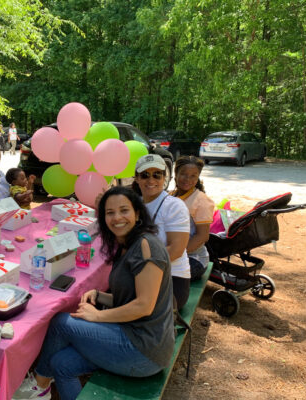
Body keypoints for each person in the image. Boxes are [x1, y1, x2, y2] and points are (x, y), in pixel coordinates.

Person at [12, 186, 174, 400]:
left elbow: (144, 305)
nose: (117, 218)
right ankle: (42, 386)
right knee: (60, 363)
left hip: (144, 350)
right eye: (110, 212)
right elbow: (130, 298)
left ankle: (39, 382)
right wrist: (100, 295)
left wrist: (98, 315)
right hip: (131, 335)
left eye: (124, 210)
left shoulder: (146, 247)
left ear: (137, 213)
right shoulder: (126, 244)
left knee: (61, 322)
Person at [132, 154, 191, 310]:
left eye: (157, 174)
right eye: (145, 175)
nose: (151, 180)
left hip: (172, 279)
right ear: (136, 178)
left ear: (165, 177)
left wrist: (137, 267)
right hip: (141, 273)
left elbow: (176, 250)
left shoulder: (174, 206)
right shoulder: (134, 203)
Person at [170, 156, 215, 280]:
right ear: (176, 174)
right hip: (171, 253)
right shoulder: (170, 196)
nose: (187, 179)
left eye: (193, 176)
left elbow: (202, 236)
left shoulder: (201, 200)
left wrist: (173, 254)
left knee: (154, 274)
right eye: (183, 174)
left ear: (198, 178)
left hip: (194, 259)